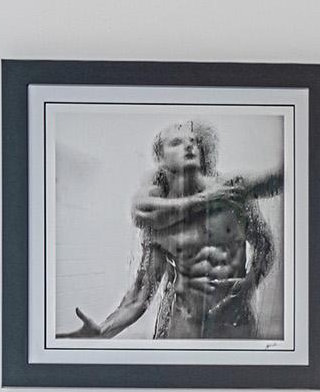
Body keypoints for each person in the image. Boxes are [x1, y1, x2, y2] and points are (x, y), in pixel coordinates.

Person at [58, 119, 283, 341]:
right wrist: (103, 332)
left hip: (234, 322)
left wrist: (250, 284)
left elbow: (265, 245)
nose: (189, 145)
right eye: (176, 142)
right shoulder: (158, 221)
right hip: (185, 325)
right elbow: (140, 294)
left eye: (193, 141)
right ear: (160, 158)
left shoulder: (232, 194)